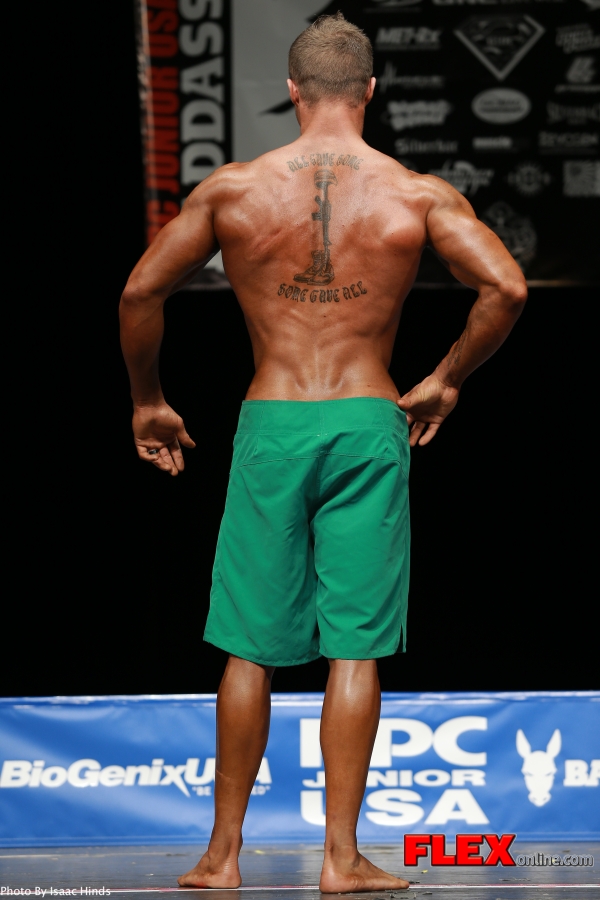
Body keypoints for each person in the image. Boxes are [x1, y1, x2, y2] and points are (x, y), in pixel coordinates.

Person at [119, 13, 527, 893]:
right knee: (355, 650)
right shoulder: (414, 194)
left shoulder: (234, 189)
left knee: (248, 649)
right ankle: (340, 859)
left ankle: (221, 857)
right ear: (370, 90)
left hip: (272, 422)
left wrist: (149, 400)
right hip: (367, 420)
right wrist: (445, 380)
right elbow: (505, 286)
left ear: (293, 91)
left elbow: (140, 291)